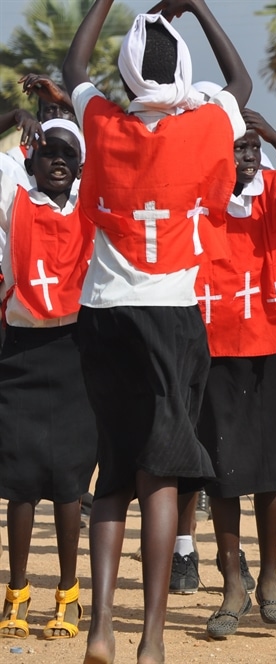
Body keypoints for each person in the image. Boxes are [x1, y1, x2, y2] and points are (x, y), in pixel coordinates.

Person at [62, 2, 252, 662]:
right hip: (171, 315)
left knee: (112, 473)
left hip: (104, 312)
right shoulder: (202, 126)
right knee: (161, 476)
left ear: (127, 74)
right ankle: (150, 640)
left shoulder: (103, 122)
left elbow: (74, 66)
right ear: (181, 75)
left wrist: (109, 0)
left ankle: (101, 629)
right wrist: (197, 6)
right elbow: (242, 84)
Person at [196, 108, 276, 637]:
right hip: (216, 343)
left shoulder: (275, 188)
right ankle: (231, 581)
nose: (243, 158)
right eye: (234, 149)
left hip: (269, 341)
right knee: (221, 464)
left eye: (250, 149)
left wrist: (273, 135)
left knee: (270, 463)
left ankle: (268, 576)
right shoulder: (201, 196)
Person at [0, 120, 95, 641]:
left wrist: (68, 106)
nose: (58, 160)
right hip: (22, 353)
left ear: (80, 165)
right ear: (31, 159)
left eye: (68, 154)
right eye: (48, 152)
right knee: (20, 483)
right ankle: (16, 591)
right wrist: (18, 126)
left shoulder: (91, 204)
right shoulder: (14, 201)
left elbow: (111, 160)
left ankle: (68, 592)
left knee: (68, 484)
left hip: (76, 352)